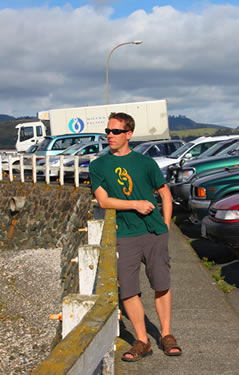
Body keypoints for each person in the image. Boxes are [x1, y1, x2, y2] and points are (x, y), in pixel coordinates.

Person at [89, 112, 182, 362]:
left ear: (128, 134)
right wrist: (135, 204)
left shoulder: (145, 163)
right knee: (129, 290)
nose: (110, 135)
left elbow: (165, 194)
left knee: (161, 284)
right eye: (107, 131)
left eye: (115, 131)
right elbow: (103, 200)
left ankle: (166, 334)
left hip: (153, 232)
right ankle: (142, 340)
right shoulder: (98, 165)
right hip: (124, 235)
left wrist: (165, 227)